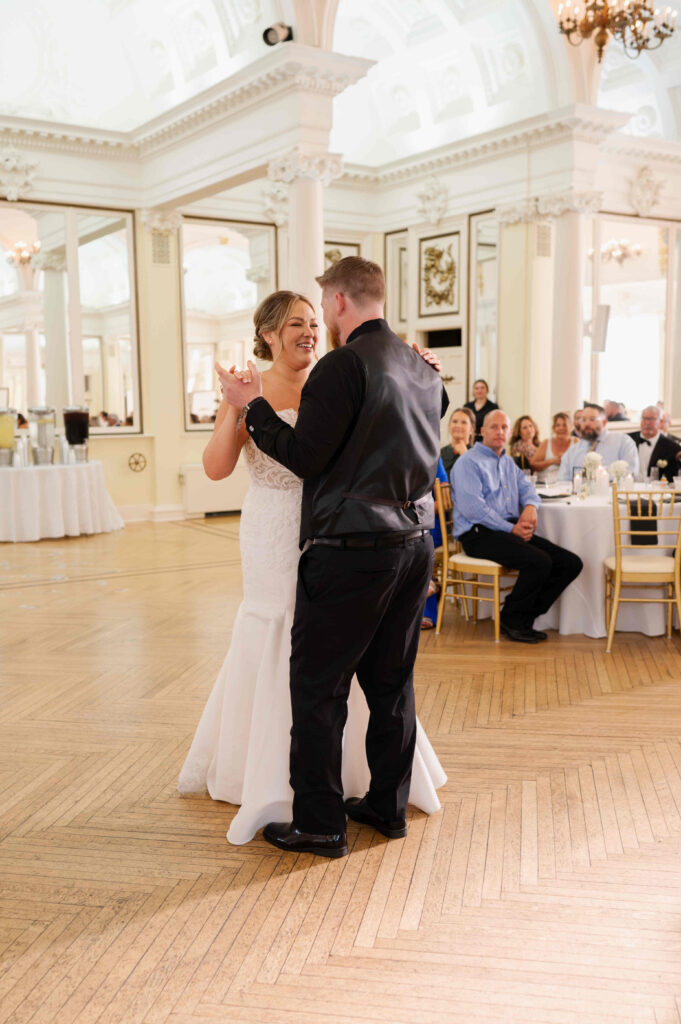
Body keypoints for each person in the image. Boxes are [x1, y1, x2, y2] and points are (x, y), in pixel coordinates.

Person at [179, 282, 447, 854]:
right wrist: (237, 404)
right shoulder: (250, 386)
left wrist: (412, 368)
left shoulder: (344, 372)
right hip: (277, 531)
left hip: (340, 536)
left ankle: (329, 806)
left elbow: (338, 449)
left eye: (312, 319)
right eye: (295, 323)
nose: (308, 330)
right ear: (269, 334)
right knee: (297, 644)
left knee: (329, 671)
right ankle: (274, 777)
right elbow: (216, 468)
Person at [452, 410, 583, 644]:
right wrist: (511, 529)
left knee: (570, 563)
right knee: (539, 562)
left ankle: (521, 615)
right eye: (494, 427)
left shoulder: (507, 462)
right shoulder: (468, 462)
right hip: (477, 533)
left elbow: (528, 489)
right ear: (482, 431)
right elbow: (474, 510)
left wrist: (531, 506)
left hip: (505, 528)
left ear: (510, 432)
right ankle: (513, 619)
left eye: (504, 428)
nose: (500, 432)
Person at [558, 403, 639, 481]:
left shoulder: (623, 442)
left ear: (604, 422)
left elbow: (631, 472)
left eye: (592, 419)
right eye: (583, 420)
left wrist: (601, 479)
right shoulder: (573, 451)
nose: (587, 423)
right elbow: (562, 480)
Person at [628, 405, 681, 482]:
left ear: (661, 422)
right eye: (644, 418)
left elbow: (673, 478)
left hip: (657, 491)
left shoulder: (673, 448)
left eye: (652, 419)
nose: (647, 422)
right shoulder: (627, 440)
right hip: (629, 489)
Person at [440, 406, 475, 476]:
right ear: (449, 425)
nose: (458, 425)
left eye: (464, 422)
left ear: (471, 429)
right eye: (455, 421)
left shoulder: (477, 454)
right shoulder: (440, 453)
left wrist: (464, 454)